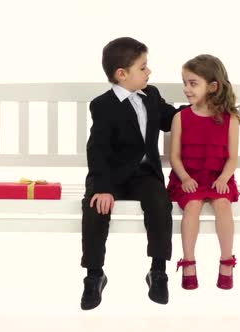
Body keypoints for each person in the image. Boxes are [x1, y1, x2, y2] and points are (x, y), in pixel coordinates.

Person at [80, 37, 183, 310]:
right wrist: (102, 187)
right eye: (143, 67)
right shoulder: (103, 105)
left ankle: (158, 270)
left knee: (160, 202)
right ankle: (93, 274)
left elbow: (170, 118)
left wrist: (199, 111)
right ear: (121, 74)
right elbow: (97, 148)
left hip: (143, 174)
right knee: (95, 208)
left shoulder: (152, 96)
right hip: (110, 176)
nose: (149, 72)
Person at [167, 54, 240, 290]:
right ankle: (188, 261)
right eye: (185, 83)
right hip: (189, 177)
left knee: (223, 205)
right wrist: (185, 177)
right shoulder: (181, 117)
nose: (186, 89)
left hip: (217, 178)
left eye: (193, 83)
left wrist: (223, 178)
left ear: (212, 86)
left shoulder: (229, 120)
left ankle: (226, 261)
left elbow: (232, 158)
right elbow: (175, 157)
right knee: (192, 206)